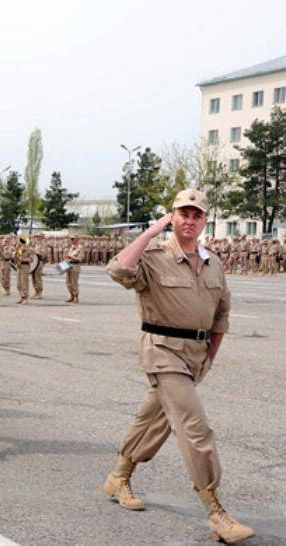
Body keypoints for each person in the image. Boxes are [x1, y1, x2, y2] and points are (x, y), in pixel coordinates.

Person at [103, 189, 253, 544]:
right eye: (183, 213)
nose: (189, 220)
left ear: (204, 221)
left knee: (153, 419)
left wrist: (209, 358)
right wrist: (149, 233)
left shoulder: (213, 262)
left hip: (195, 356)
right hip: (161, 351)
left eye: (196, 214)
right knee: (194, 427)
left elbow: (221, 315)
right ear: (172, 217)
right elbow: (118, 269)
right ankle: (216, 511)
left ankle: (119, 475)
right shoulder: (154, 256)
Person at [15, 235, 34, 304]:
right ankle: (21, 297)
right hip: (19, 267)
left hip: (25, 266)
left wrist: (23, 259)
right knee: (18, 284)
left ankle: (25, 298)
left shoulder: (30, 249)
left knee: (24, 283)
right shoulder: (18, 249)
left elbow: (31, 259)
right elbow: (15, 257)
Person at [65, 236, 83, 303]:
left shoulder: (80, 247)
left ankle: (76, 297)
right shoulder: (71, 247)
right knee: (68, 282)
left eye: (73, 239)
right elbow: (68, 256)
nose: (71, 240)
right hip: (68, 265)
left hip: (75, 266)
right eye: (71, 239)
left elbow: (80, 258)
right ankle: (71, 296)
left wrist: (71, 257)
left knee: (74, 283)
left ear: (77, 239)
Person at [30, 234, 45, 299]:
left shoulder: (43, 244)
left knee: (37, 277)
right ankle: (36, 291)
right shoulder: (34, 244)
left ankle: (40, 293)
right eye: (36, 237)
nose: (36, 238)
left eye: (37, 236)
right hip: (33, 262)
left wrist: (35, 252)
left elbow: (43, 254)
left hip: (39, 261)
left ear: (41, 237)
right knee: (33, 277)